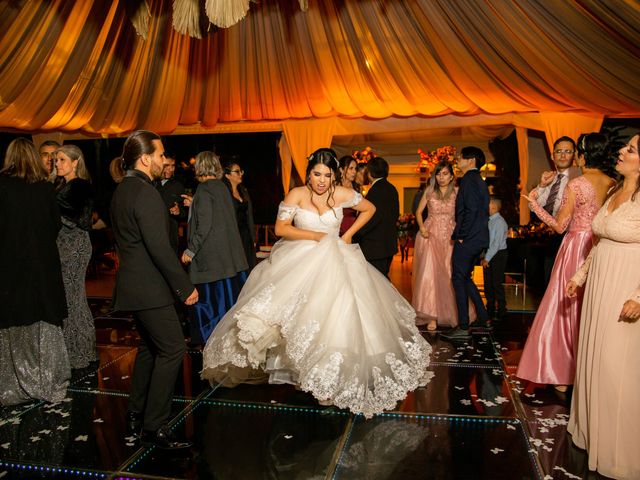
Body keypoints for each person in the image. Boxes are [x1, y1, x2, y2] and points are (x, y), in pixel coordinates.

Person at [200, 148, 432, 418]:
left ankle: (329, 377)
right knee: (299, 318)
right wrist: (315, 236)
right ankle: (304, 372)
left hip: (338, 259)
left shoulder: (342, 194)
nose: (322, 180)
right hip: (301, 258)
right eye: (317, 174)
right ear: (309, 173)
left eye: (327, 175)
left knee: (336, 316)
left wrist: (348, 234)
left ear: (335, 175)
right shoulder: (297, 194)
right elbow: (281, 229)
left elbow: (370, 208)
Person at [110, 130, 198, 449]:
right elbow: (159, 248)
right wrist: (184, 286)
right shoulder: (146, 193)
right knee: (173, 348)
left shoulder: (124, 189)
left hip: (134, 286)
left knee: (150, 349)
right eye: (161, 155)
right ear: (146, 158)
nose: (165, 160)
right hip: (150, 288)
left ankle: (135, 413)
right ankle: (155, 427)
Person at [565, 133, 640, 480]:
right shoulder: (612, 192)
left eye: (631, 149)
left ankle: (621, 450)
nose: (622, 152)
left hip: (626, 287)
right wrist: (580, 276)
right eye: (625, 147)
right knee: (593, 358)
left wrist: (639, 297)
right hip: (599, 287)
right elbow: (599, 241)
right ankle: (592, 433)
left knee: (615, 366)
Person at [517, 133, 617, 391]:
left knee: (562, 309)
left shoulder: (577, 184)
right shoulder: (612, 183)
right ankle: (587, 371)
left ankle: (561, 372)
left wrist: (534, 205)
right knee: (589, 308)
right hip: (600, 247)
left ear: (581, 155)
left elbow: (560, 226)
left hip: (575, 247)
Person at [0, 138, 70, 405]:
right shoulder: (44, 189)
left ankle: (12, 386)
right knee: (44, 322)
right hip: (42, 264)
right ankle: (47, 381)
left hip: (10, 265)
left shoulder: (2, 186)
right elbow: (55, 225)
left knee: (13, 324)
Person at [182, 152, 249, 345]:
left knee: (210, 307)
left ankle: (210, 343)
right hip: (228, 261)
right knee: (229, 307)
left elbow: (204, 225)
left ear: (199, 167)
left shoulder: (204, 190)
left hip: (212, 263)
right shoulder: (222, 188)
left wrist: (190, 250)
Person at [412, 161, 476, 331]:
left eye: (445, 174)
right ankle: (431, 315)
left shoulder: (457, 192)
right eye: (438, 174)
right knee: (430, 274)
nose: (441, 177)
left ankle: (454, 313)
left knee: (449, 273)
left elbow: (464, 213)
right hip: (430, 235)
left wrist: (462, 233)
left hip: (450, 236)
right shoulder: (429, 191)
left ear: (452, 176)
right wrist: (422, 227)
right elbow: (418, 212)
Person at [54, 145, 98, 369]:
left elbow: (68, 215)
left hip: (74, 246)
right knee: (72, 297)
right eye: (56, 160)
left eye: (62, 160)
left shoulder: (79, 186)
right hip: (66, 245)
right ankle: (80, 350)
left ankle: (80, 352)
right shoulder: (65, 185)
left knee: (73, 298)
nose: (57, 164)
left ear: (75, 162)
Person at [441, 146, 490, 341]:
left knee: (458, 278)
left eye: (460, 157)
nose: (457, 161)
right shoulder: (478, 180)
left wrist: (461, 234)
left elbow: (470, 211)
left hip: (469, 237)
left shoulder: (469, 180)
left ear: (471, 161)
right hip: (478, 237)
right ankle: (483, 317)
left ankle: (462, 326)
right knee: (465, 277)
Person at [531, 136, 582, 285]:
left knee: (567, 281)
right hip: (553, 237)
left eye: (568, 151)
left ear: (574, 155)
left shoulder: (579, 177)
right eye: (559, 151)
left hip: (573, 236)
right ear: (552, 155)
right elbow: (534, 205)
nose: (563, 155)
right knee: (550, 281)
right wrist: (541, 185)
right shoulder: (550, 178)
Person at [353, 156, 399, 277]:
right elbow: (395, 215)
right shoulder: (392, 188)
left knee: (376, 283)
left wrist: (355, 235)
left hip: (374, 247)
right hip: (388, 245)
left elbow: (369, 220)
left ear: (369, 173)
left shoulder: (375, 192)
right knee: (383, 280)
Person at [222, 159, 256, 270]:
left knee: (249, 266)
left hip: (245, 235)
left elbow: (249, 216)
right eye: (237, 171)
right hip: (233, 236)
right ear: (227, 175)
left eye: (241, 171)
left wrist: (253, 237)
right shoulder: (224, 194)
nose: (241, 174)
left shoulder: (243, 191)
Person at [481, 197, 509, 321]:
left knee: (496, 283)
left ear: (493, 206)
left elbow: (496, 244)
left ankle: (502, 309)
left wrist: (487, 258)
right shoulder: (490, 220)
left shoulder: (499, 222)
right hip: (491, 253)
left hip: (498, 255)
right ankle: (490, 307)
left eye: (488, 204)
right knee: (488, 283)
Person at [155, 154, 186, 254]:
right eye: (166, 165)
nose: (171, 169)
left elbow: (185, 211)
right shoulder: (150, 184)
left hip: (170, 237)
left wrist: (179, 211)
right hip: (152, 235)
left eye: (173, 166)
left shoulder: (178, 186)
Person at [337, 155, 359, 236]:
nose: (354, 172)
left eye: (355, 169)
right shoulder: (336, 187)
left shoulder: (356, 187)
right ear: (341, 169)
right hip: (339, 228)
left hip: (353, 228)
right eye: (351, 168)